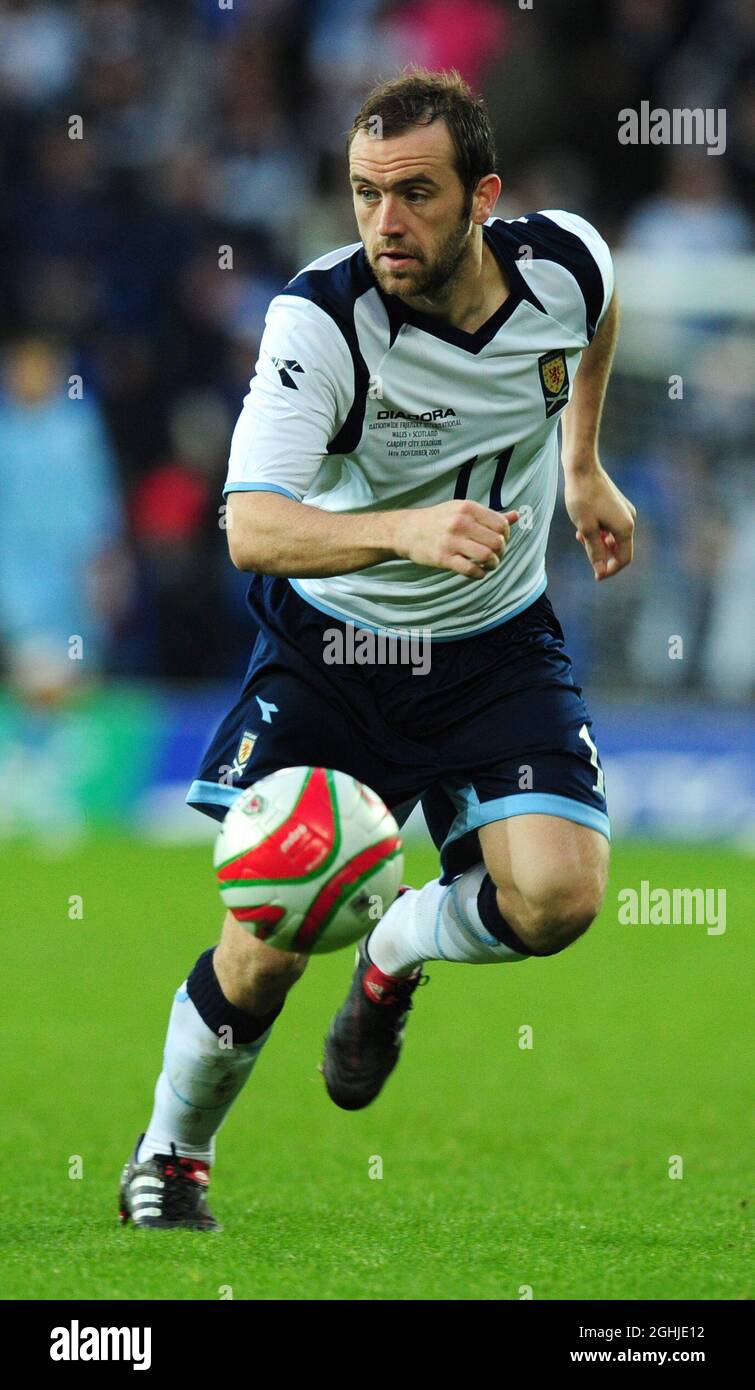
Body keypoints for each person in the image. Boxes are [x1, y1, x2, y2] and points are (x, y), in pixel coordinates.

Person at [119, 68, 635, 1231]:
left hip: (495, 646)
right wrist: (405, 528)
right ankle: (171, 1150)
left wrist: (580, 463)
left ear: (482, 198)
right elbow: (249, 526)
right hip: (335, 660)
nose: (384, 224)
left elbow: (600, 318)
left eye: (413, 194)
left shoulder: (564, 266)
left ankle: (398, 943)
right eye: (363, 194)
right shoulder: (322, 319)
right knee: (262, 947)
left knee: (556, 898)